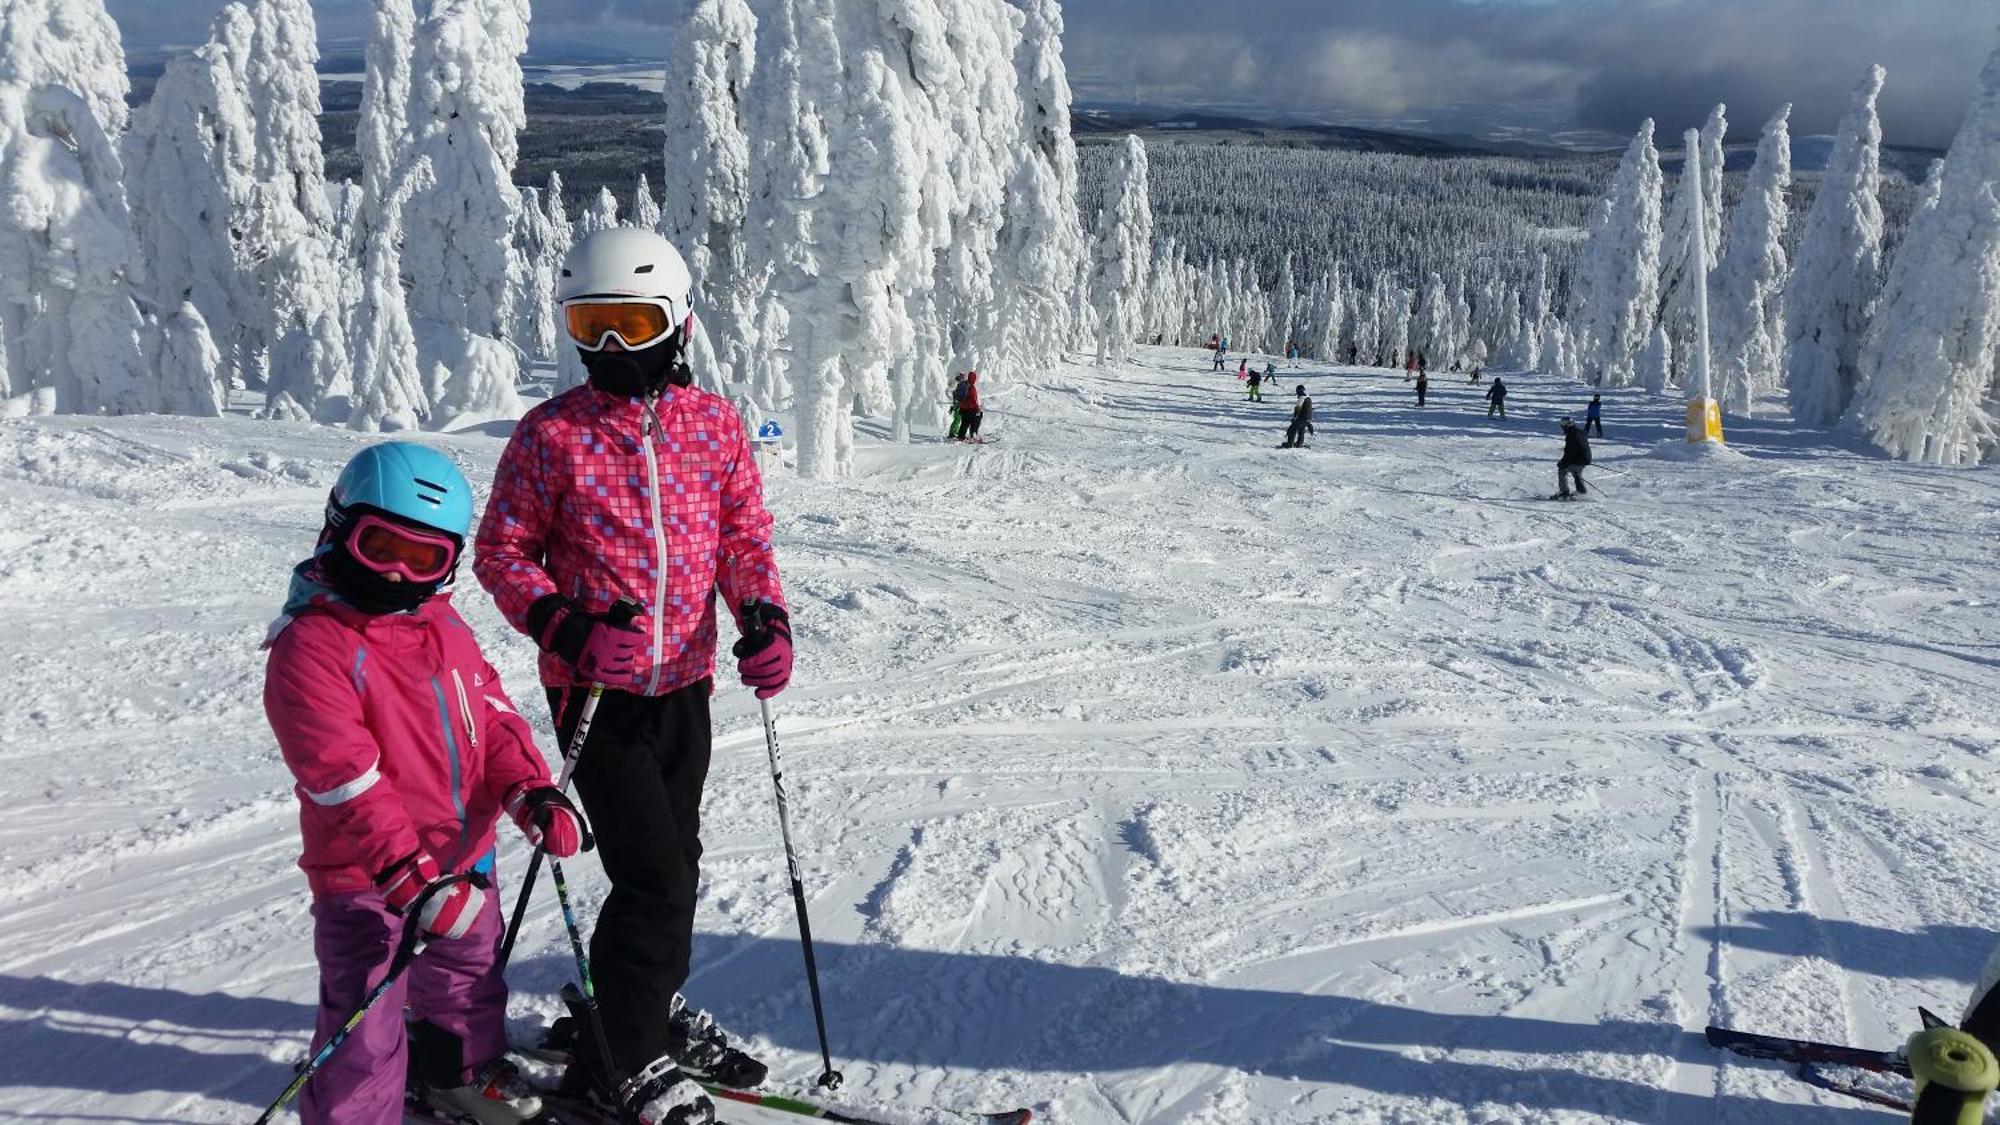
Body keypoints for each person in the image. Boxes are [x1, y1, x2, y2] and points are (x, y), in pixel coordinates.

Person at [475, 227, 790, 1125]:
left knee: (672, 860)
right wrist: (563, 624)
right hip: (596, 694)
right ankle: (630, 1055)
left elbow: (742, 540)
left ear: (677, 320)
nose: (610, 344)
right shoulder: (552, 436)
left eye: (631, 320)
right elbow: (500, 552)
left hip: (684, 684)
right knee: (654, 877)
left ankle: (636, 1003)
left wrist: (763, 617)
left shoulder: (715, 425)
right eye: (592, 322)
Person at [265, 442, 583, 1125]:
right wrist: (407, 876)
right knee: (366, 1024)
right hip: (367, 880)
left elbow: (492, 715)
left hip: (465, 861)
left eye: (423, 558)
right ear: (338, 528)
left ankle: (459, 1075)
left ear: (450, 564)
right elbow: (342, 777)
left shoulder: (443, 624)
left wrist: (529, 789)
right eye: (380, 545)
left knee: (467, 986)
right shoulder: (312, 644)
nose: (397, 572)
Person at [1556, 416, 1592, 498]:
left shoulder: (1571, 435)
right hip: (1585, 458)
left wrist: (1563, 462)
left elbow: (1570, 452)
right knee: (1576, 472)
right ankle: (1581, 491)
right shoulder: (1578, 432)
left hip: (1579, 459)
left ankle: (1564, 492)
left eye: (1563, 425)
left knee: (1562, 469)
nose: (1562, 427)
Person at [1280, 384, 1314, 448]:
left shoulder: (1302, 397)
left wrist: (1294, 417)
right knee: (1301, 430)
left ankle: (1290, 443)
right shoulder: (1308, 397)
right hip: (1308, 417)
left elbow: (1297, 408)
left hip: (1302, 417)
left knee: (1292, 429)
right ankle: (1299, 443)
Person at [957, 370, 985, 441]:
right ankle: (973, 435)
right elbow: (973, 400)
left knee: (965, 422)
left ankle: (961, 436)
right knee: (976, 419)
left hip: (963, 408)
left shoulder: (964, 384)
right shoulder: (971, 387)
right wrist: (977, 408)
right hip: (970, 409)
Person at [946, 371, 968, 439]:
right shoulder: (957, 385)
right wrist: (954, 405)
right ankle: (952, 432)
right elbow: (955, 395)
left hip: (961, 404)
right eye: (960, 377)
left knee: (960, 419)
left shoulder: (964, 385)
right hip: (958, 404)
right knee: (957, 419)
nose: (961, 378)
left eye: (962, 376)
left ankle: (956, 431)